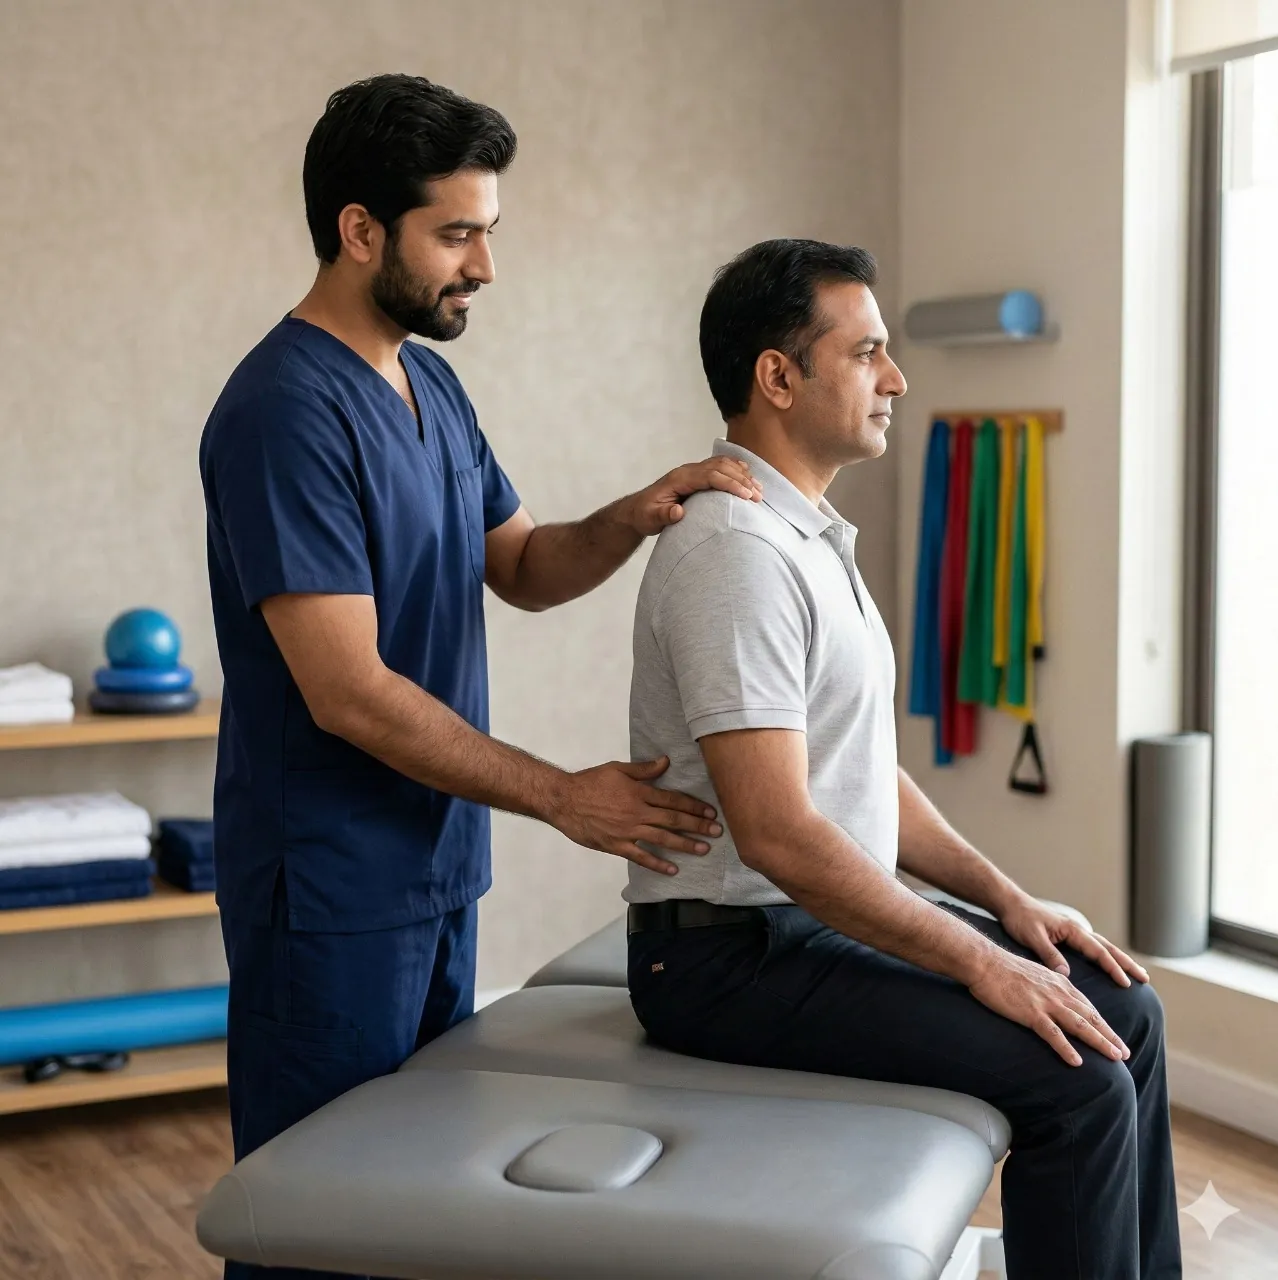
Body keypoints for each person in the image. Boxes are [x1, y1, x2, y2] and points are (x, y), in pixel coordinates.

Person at [199, 75, 760, 1280]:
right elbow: (344, 689)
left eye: (486, 232)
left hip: (436, 868)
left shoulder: (431, 385)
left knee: (418, 1206)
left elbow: (521, 564)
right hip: (330, 889)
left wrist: (635, 513)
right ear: (359, 231)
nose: (484, 267)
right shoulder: (283, 411)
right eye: (456, 234)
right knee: (318, 1219)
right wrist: (566, 792)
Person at [625, 239, 1181, 1280]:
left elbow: (859, 772)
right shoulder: (731, 553)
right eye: (867, 351)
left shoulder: (804, 539)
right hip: (723, 958)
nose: (896, 377)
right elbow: (779, 832)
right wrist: (976, 960)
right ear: (776, 376)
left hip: (797, 929)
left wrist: (1006, 903)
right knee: (1075, 1079)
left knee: (1127, 1015)